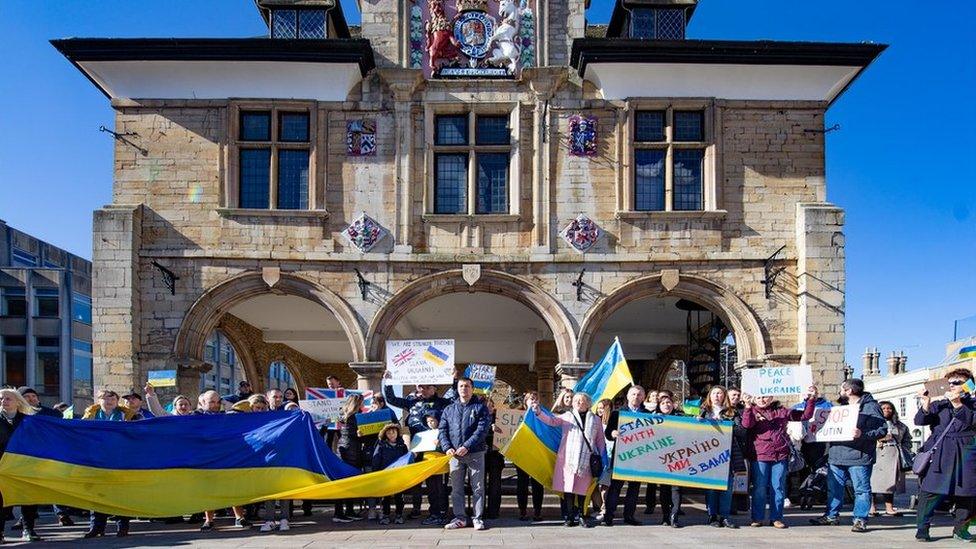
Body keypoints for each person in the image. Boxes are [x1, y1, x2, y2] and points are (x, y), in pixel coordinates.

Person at [809, 378, 885, 533]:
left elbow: (882, 430)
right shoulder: (841, 408)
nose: (840, 391)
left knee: (861, 490)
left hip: (859, 457)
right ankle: (831, 516)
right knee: (834, 489)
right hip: (837, 455)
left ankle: (860, 519)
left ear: (849, 391)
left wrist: (862, 434)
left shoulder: (871, 407)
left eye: (842, 389)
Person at [742, 384, 818, 529]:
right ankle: (757, 517)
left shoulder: (781, 411)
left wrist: (811, 399)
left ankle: (776, 518)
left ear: (771, 397)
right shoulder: (751, 410)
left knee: (778, 487)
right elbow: (747, 424)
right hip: (760, 455)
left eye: (765, 396)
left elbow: (805, 416)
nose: (762, 400)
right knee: (759, 487)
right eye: (758, 397)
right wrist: (747, 406)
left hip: (780, 455)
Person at [913, 368, 976, 542]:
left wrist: (958, 404)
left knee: (967, 493)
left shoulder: (973, 403)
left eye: (958, 382)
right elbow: (920, 421)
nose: (953, 386)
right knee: (929, 491)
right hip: (941, 451)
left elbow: (972, 421)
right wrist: (925, 402)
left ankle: (961, 529)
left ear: (968, 385)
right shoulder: (939, 404)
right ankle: (922, 528)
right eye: (950, 383)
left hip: (966, 451)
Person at [533, 392, 606, 528]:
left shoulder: (596, 420)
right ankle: (569, 517)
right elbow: (552, 421)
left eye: (582, 400)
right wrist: (538, 412)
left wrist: (603, 456)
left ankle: (582, 516)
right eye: (576, 401)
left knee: (582, 490)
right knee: (569, 489)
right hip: (568, 460)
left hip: (586, 461)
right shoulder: (568, 416)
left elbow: (600, 440)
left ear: (588, 404)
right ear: (572, 404)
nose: (578, 403)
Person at [383, 382, 454, 521]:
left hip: (435, 449)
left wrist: (455, 380)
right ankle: (418, 509)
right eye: (421, 387)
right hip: (417, 449)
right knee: (418, 482)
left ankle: (438, 512)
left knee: (436, 483)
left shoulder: (443, 403)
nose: (424, 390)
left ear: (435, 388)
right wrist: (388, 382)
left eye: (428, 387)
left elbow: (457, 398)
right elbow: (391, 399)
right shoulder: (412, 402)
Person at [82, 390, 139, 538]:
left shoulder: (129, 416)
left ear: (117, 401)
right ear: (98, 400)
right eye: (106, 398)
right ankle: (97, 527)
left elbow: (138, 434)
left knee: (121, 494)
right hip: (97, 460)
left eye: (113, 398)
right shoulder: (90, 416)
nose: (110, 400)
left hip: (120, 459)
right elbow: (80, 434)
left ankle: (123, 526)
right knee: (97, 494)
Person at [438, 377, 491, 531]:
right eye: (461, 386)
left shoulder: (481, 407)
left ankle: (477, 518)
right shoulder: (449, 409)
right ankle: (460, 518)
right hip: (454, 455)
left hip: (475, 453)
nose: (464, 389)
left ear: (472, 389)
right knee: (456, 489)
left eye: (467, 386)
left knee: (478, 487)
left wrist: (467, 446)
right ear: (457, 389)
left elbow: (482, 430)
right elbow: (442, 430)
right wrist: (447, 446)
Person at [698, 385, 742, 529]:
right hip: (709, 453)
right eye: (714, 393)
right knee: (711, 488)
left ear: (724, 396)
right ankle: (712, 516)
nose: (717, 396)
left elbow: (740, 430)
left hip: (727, 453)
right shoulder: (703, 411)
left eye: (720, 393)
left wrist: (727, 425)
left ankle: (725, 516)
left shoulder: (732, 412)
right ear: (710, 396)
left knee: (727, 487)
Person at [0, 388, 40, 543]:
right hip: (2, 467)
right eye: (1, 398)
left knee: (28, 498)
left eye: (8, 398)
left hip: (24, 466)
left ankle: (28, 529)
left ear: (18, 401)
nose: (4, 401)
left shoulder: (28, 421)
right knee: (2, 500)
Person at [604, 385, 647, 527]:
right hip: (621, 457)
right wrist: (612, 433)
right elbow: (608, 433)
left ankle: (629, 515)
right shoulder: (618, 413)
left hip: (639, 457)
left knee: (634, 489)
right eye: (633, 394)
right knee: (615, 488)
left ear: (643, 397)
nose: (636, 397)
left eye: (639, 394)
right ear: (628, 396)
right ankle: (609, 516)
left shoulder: (648, 414)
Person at [644, 390, 686, 527]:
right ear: (659, 406)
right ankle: (665, 516)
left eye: (669, 402)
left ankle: (674, 516)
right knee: (664, 489)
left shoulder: (681, 417)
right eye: (663, 403)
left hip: (678, 458)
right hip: (660, 459)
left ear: (673, 405)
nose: (666, 405)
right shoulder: (653, 418)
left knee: (676, 489)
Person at [868, 400, 911, 517]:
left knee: (890, 482)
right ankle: (872, 506)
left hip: (892, 454)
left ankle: (889, 507)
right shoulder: (872, 423)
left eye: (889, 408)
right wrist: (879, 439)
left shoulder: (900, 425)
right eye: (883, 408)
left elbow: (907, 439)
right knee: (873, 482)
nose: (887, 410)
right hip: (876, 453)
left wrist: (904, 449)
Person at [334, 394, 367, 523]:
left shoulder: (343, 415)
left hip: (344, 450)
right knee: (348, 483)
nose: (364, 405)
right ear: (357, 403)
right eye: (362, 403)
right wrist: (361, 435)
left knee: (345, 483)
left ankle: (346, 511)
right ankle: (341, 513)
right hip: (351, 452)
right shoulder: (354, 417)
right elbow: (356, 435)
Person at [515, 391, 545, 522]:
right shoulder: (516, 415)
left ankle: (537, 511)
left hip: (537, 453)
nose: (533, 400)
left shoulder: (543, 414)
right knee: (522, 483)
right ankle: (522, 510)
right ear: (525, 402)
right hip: (522, 454)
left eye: (535, 399)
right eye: (530, 399)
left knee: (537, 483)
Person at [372, 423, 409, 525]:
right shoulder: (381, 445)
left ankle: (399, 514)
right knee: (385, 497)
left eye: (393, 432)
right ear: (385, 434)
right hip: (385, 475)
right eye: (389, 433)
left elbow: (406, 459)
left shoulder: (402, 446)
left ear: (397, 433)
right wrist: (376, 474)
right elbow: (376, 459)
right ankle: (385, 515)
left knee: (399, 496)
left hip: (398, 475)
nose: (391, 435)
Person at [483, 397, 505, 520]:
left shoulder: (501, 418)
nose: (488, 408)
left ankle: (493, 511)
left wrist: (498, 430)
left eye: (490, 406)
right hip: (481, 455)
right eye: (485, 406)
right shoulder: (478, 418)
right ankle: (480, 509)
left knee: (495, 485)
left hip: (496, 457)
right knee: (480, 485)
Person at [594, 398, 614, 521]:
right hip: (596, 457)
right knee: (595, 485)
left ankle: (604, 508)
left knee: (605, 485)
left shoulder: (609, 424)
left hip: (607, 456)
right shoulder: (595, 421)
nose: (600, 410)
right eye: (598, 407)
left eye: (602, 408)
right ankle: (599, 507)